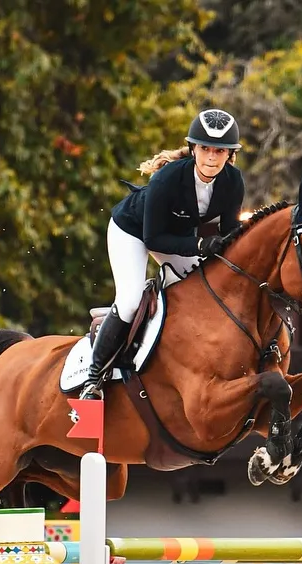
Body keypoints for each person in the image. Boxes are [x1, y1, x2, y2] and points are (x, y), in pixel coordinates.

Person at [79, 108, 248, 400]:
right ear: (193, 149)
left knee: (204, 290)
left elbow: (230, 230)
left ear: (230, 155)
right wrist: (199, 246)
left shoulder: (233, 182)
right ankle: (93, 379)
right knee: (130, 300)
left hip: (177, 236)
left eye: (219, 151)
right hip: (132, 231)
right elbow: (153, 238)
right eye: (205, 149)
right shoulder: (167, 179)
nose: (211, 157)